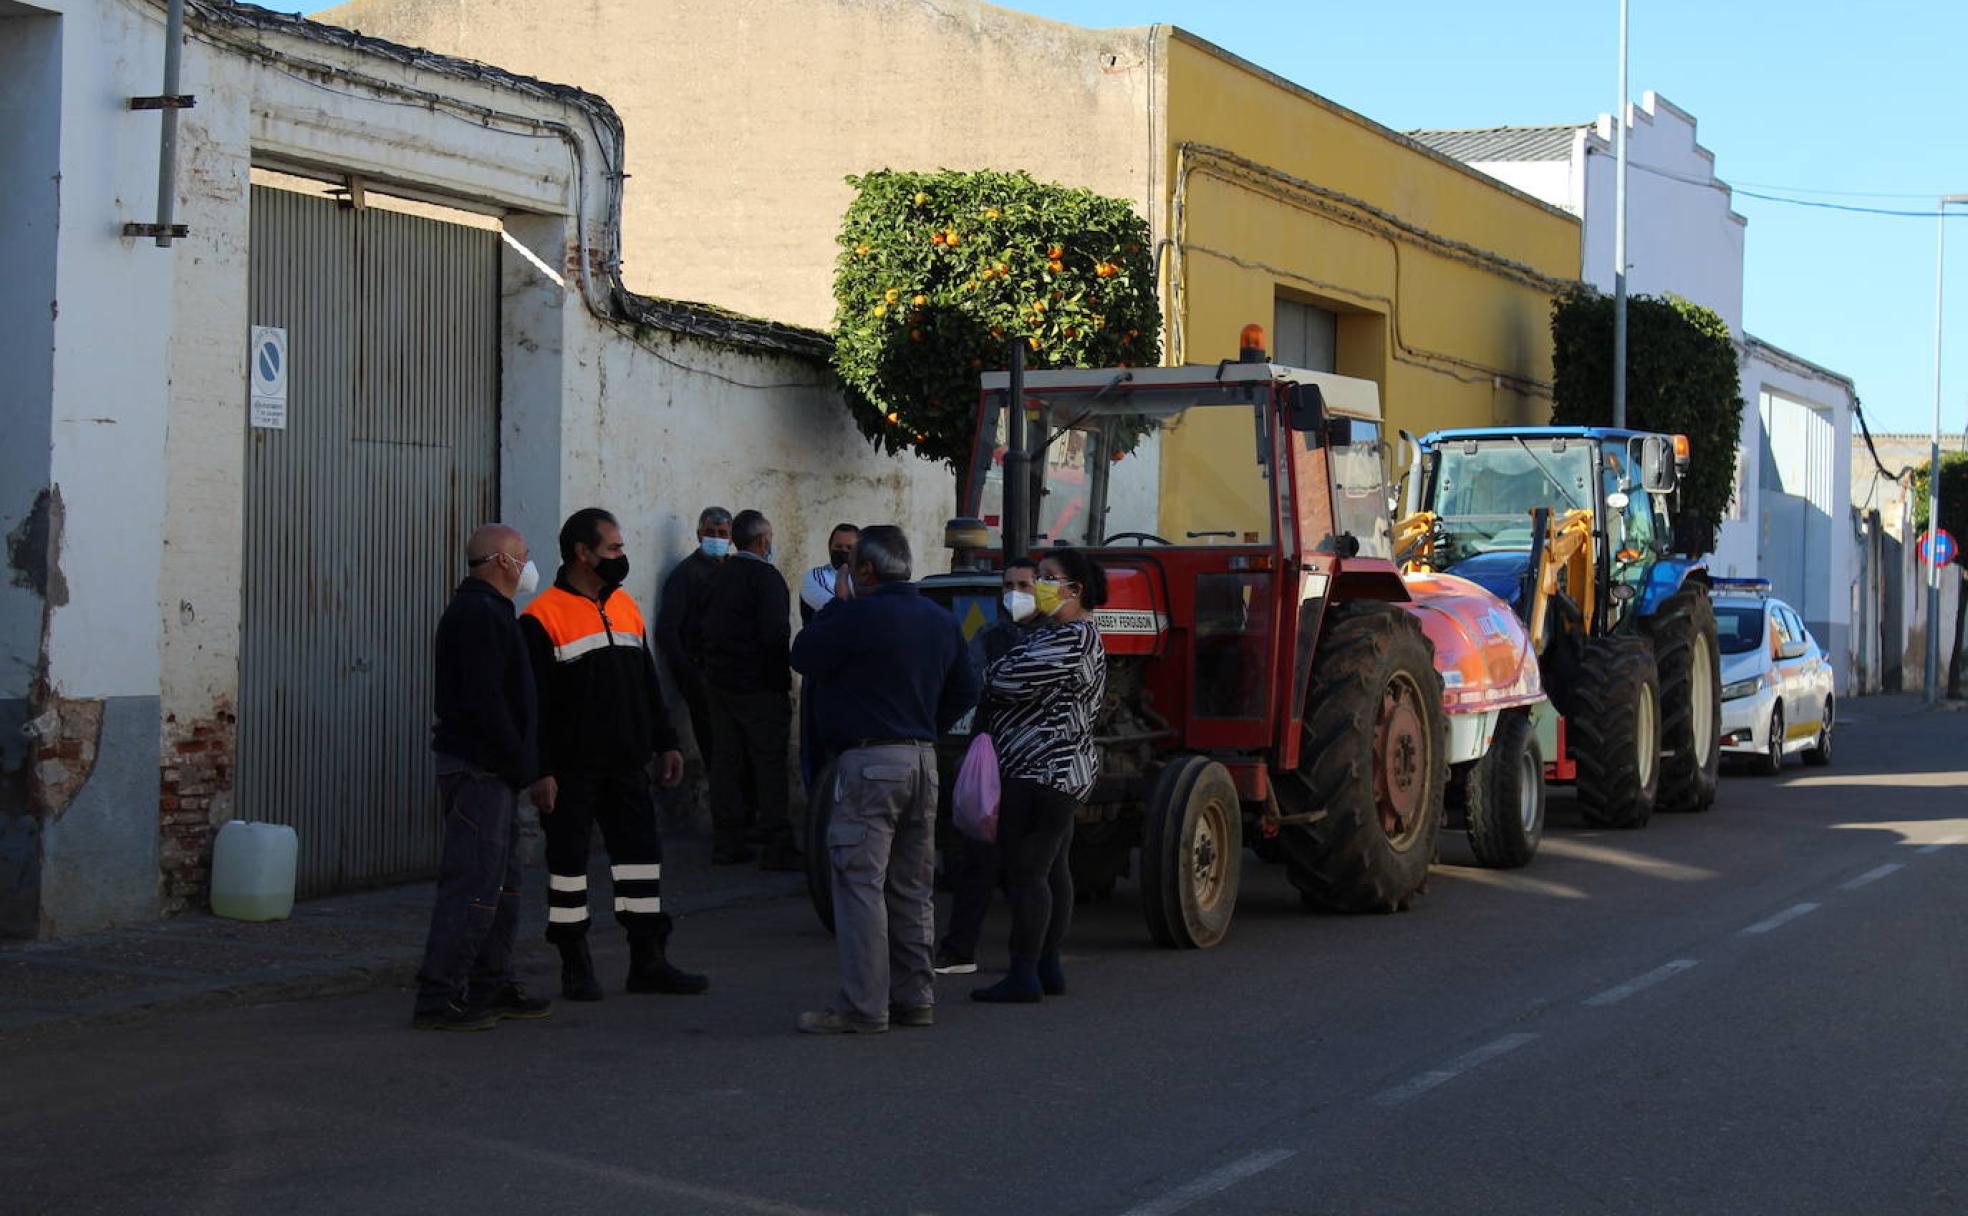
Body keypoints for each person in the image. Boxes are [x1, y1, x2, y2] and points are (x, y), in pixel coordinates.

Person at [791, 526, 979, 1034]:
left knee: (859, 884)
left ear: (865, 572)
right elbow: (968, 686)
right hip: (922, 760)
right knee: (912, 887)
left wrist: (836, 604)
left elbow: (803, 654)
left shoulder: (855, 615)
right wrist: (926, 726)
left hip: (869, 761)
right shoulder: (939, 620)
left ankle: (862, 1006)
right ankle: (915, 997)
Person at [520, 508, 709, 1001]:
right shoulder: (541, 617)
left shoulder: (624, 606)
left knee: (641, 863)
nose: (623, 557)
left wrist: (666, 741)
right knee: (568, 868)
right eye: (615, 549)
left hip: (627, 764)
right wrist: (539, 771)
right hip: (571, 769)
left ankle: (649, 960)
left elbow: (646, 684)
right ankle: (574, 964)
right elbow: (531, 706)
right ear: (583, 553)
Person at [413, 524, 551, 1031]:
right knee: (472, 884)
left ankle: (491, 982)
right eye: (524, 556)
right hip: (480, 770)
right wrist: (523, 768)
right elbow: (486, 704)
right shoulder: (476, 615)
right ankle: (440, 996)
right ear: (501, 561)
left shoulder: (494, 613)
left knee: (502, 885)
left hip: (498, 771)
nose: (530, 566)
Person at [971, 548, 1108, 1005]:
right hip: (1054, 771)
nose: (1038, 586)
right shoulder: (1064, 634)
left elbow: (1002, 679)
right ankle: (1047, 966)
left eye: (1048, 578)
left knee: (1028, 873)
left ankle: (1024, 972)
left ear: (1074, 590)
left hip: (1041, 770)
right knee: (1052, 871)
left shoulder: (1071, 638)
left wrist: (991, 672)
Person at [934, 557, 1040, 976]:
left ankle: (1031, 958)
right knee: (976, 858)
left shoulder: (1055, 637)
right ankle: (959, 950)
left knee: (1032, 867)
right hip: (996, 762)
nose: (1016, 592)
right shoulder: (990, 635)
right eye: (1009, 584)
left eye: (1025, 584)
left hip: (1035, 763)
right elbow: (974, 684)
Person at [698, 509, 797, 869]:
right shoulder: (766, 579)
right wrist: (778, 682)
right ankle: (777, 843)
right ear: (763, 540)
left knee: (726, 762)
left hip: (720, 683)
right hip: (758, 687)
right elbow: (774, 636)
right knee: (769, 764)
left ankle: (728, 840)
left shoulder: (717, 578)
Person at [655, 506, 733, 776]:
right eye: (710, 532)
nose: (716, 537)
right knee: (718, 756)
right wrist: (690, 676)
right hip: (704, 676)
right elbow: (667, 630)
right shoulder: (686, 574)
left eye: (722, 533)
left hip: (734, 679)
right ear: (699, 534)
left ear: (731, 538)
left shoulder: (736, 571)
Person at [798, 524, 861, 626]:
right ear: (829, 548)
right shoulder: (814, 577)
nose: (843, 551)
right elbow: (840, 611)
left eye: (849, 548)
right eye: (838, 546)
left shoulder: (862, 578)